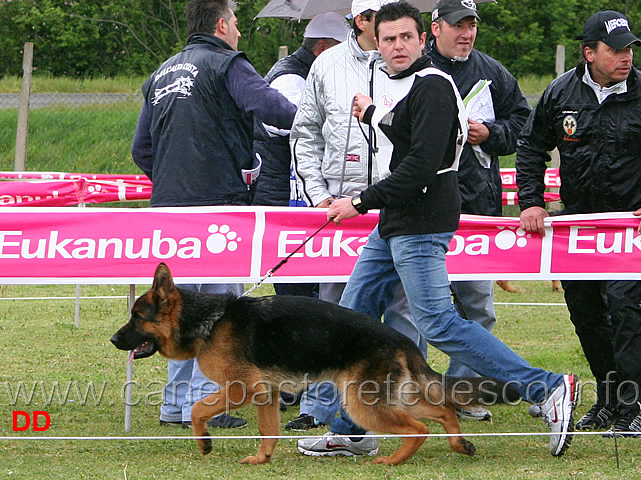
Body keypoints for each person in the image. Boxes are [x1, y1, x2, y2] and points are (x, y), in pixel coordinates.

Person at [298, 1, 577, 458]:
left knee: (439, 323)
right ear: (377, 43)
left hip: (421, 224)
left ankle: (546, 388)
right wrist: (372, 116)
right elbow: (408, 130)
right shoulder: (413, 88)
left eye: (405, 37)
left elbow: (421, 167)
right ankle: (351, 429)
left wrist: (359, 202)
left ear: (422, 39)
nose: (397, 46)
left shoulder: (432, 87)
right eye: (388, 39)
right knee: (352, 320)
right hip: (394, 225)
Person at [131, 0, 296, 429]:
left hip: (168, 211)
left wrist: (171, 180)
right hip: (218, 209)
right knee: (219, 313)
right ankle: (205, 403)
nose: (239, 31)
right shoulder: (227, 63)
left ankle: (174, 405)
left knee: (177, 309)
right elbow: (273, 107)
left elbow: (141, 149)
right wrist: (315, 118)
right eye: (237, 22)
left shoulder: (159, 73)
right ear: (222, 24)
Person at [286, 0, 427, 433]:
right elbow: (304, 132)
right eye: (374, 19)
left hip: (395, 202)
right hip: (340, 207)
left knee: (407, 310)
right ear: (361, 19)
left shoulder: (415, 69)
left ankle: (404, 401)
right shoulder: (326, 64)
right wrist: (316, 195)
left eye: (401, 32)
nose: (391, 36)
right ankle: (324, 407)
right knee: (334, 311)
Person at [517, 10, 641, 435]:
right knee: (586, 314)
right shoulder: (560, 92)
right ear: (589, 53)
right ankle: (609, 401)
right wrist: (531, 202)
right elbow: (531, 146)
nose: (625, 57)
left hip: (630, 229)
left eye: (629, 48)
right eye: (615, 49)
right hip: (579, 228)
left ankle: (634, 406)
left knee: (627, 311)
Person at [427, 0, 532, 421]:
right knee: (415, 309)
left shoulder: (491, 71)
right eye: (457, 26)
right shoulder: (413, 69)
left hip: (478, 209)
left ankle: (461, 392)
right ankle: (410, 392)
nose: (466, 33)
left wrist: (491, 134)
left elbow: (524, 123)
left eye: (471, 25)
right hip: (423, 209)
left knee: (477, 307)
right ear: (435, 29)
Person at [253, 11, 350, 303]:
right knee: (296, 289)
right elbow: (296, 124)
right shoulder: (290, 77)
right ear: (322, 48)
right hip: (282, 196)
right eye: (342, 49)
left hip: (295, 190)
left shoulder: (310, 71)